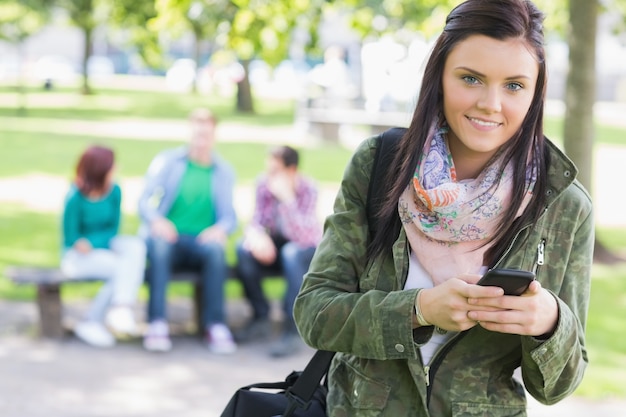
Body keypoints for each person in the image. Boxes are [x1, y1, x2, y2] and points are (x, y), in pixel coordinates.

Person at [293, 0, 594, 415]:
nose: (491, 103)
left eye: (513, 85)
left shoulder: (564, 204)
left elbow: (558, 387)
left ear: (535, 93)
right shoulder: (379, 165)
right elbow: (315, 312)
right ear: (439, 77)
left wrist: (549, 323)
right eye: (471, 78)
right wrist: (418, 310)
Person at [138, 108, 238, 354]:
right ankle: (157, 323)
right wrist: (157, 220)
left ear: (214, 135)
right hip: (169, 237)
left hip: (200, 241)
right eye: (197, 132)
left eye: (206, 133)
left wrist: (219, 229)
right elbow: (143, 201)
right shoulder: (168, 161)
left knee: (217, 251)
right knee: (159, 246)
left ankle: (214, 325)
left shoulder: (223, 171)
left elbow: (230, 217)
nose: (201, 139)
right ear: (190, 132)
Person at [235, 145, 322, 358]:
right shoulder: (264, 185)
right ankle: (260, 316)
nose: (269, 176)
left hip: (301, 250)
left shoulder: (308, 189)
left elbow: (306, 237)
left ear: (291, 170)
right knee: (242, 249)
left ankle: (291, 329)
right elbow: (257, 220)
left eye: (275, 171)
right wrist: (257, 237)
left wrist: (287, 200)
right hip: (274, 247)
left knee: (291, 254)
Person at [61, 145, 146, 348]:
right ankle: (92, 320)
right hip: (76, 257)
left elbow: (113, 229)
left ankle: (121, 307)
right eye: (112, 165)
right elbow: (71, 236)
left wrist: (93, 242)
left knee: (135, 246)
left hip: (103, 247)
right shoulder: (75, 196)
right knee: (122, 268)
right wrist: (82, 243)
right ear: (99, 169)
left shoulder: (114, 190)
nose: (117, 168)